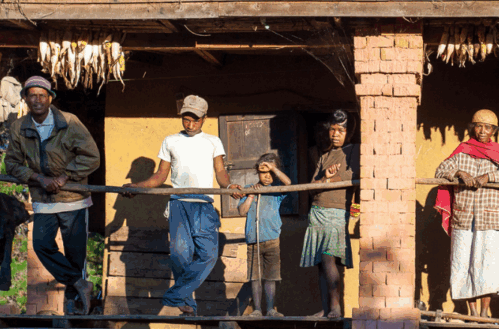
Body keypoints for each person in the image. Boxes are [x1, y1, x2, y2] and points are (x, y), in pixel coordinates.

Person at [122, 95, 240, 316]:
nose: (190, 124)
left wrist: (228, 185)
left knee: (208, 254)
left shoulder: (213, 141)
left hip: (204, 205)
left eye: (195, 120)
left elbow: (221, 172)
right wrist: (138, 186)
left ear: (204, 118)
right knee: (179, 256)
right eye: (186, 119)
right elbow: (160, 175)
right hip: (178, 205)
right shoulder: (170, 141)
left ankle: (174, 295)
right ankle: (186, 302)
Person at [4, 76, 100, 315]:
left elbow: (91, 157)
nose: (37, 100)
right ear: (25, 98)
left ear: (50, 99)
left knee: (75, 256)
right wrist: (38, 178)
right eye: (32, 95)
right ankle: (80, 284)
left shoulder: (69, 122)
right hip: (44, 201)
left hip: (73, 199)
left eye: (42, 95)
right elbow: (12, 164)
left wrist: (65, 177)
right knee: (42, 245)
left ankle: (74, 306)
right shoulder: (19, 127)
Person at [434, 109, 499, 318]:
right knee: (463, 264)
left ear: (494, 131)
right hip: (463, 218)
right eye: (479, 126)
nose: (483, 131)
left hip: (490, 218)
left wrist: (488, 177)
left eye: (488, 127)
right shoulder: (461, 152)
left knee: (486, 266)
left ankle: (484, 312)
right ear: (472, 128)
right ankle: (471, 312)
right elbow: (439, 171)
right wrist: (458, 173)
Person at [300, 110, 360, 319]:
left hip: (335, 211)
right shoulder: (324, 155)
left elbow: (347, 177)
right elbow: (311, 187)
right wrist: (324, 179)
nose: (335, 134)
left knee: (328, 259)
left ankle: (336, 308)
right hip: (316, 211)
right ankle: (325, 309)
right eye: (332, 129)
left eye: (340, 130)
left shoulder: (354, 151)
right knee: (320, 263)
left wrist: (323, 182)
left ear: (349, 132)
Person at [235, 153, 292, 318]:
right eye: (263, 172)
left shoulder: (276, 191)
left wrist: (273, 167)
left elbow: (288, 183)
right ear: (257, 173)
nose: (267, 176)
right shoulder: (249, 189)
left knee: (271, 277)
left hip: (272, 240)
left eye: (271, 173)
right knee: (255, 277)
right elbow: (242, 211)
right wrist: (251, 195)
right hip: (253, 240)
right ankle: (257, 309)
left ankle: (271, 309)